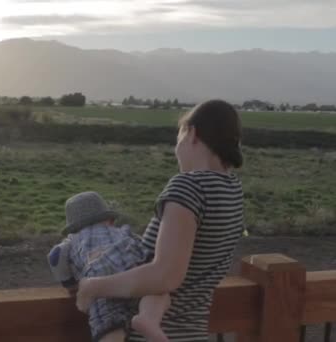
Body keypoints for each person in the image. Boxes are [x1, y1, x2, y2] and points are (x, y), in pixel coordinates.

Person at [76, 99, 245, 342]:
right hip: (192, 333)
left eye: (178, 140)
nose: (176, 150)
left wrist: (92, 286)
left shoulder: (189, 186)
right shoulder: (233, 190)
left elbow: (166, 275)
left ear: (192, 134)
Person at [47, 191, 170, 342]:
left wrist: (70, 284)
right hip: (134, 273)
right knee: (158, 291)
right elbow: (142, 247)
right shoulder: (122, 231)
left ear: (72, 229)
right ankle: (148, 318)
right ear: (110, 220)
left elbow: (54, 256)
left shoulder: (72, 240)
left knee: (109, 326)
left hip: (100, 281)